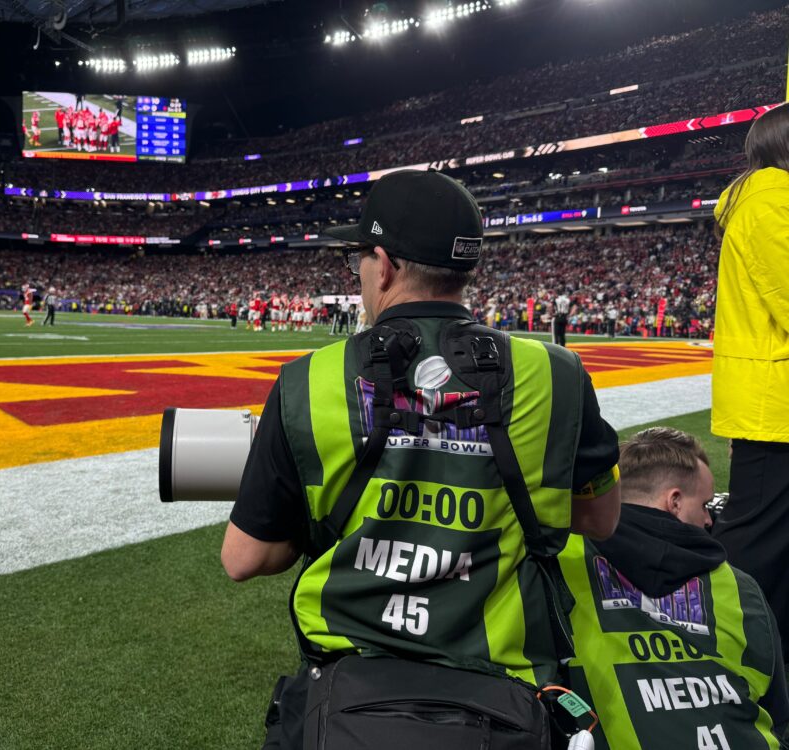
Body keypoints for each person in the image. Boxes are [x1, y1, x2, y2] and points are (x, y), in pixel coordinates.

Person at [221, 170, 621, 749]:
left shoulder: (310, 380)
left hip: (351, 687)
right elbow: (599, 519)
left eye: (359, 257)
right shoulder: (557, 374)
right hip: (504, 697)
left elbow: (244, 557)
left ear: (383, 265)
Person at [561, 427, 789, 748]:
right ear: (675, 502)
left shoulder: (564, 558)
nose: (710, 520)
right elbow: (777, 714)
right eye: (705, 505)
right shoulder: (740, 588)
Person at [711, 103, 789, 667]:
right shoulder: (770, 201)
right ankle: (731, 656)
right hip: (775, 407)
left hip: (773, 401)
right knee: (760, 546)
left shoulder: (765, 199)